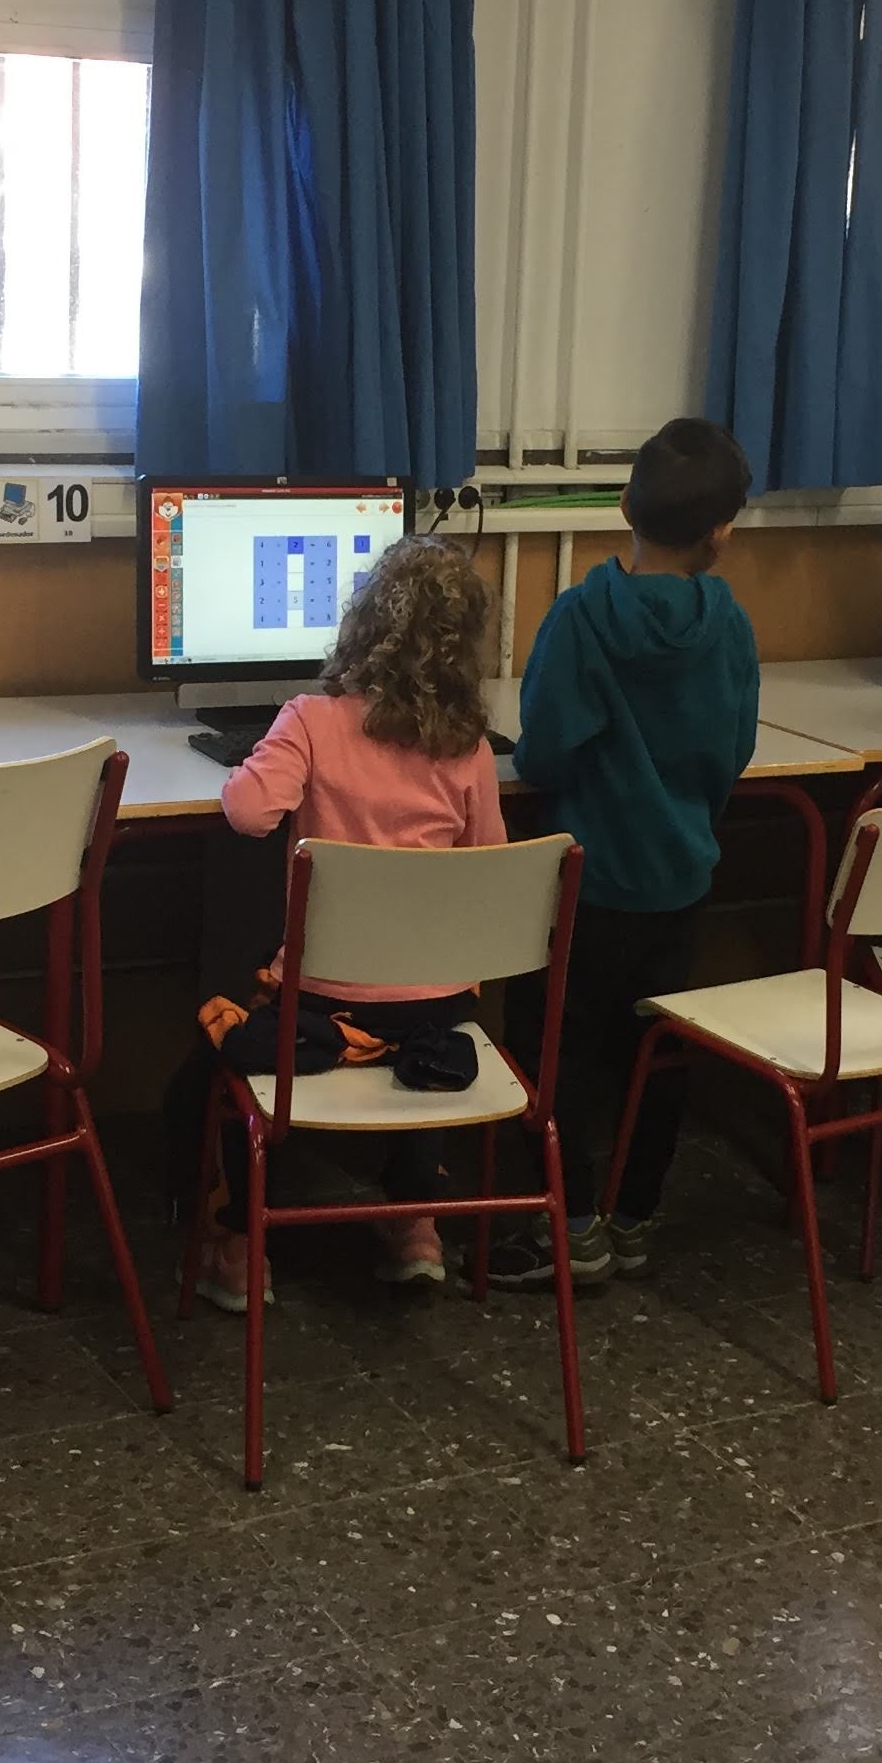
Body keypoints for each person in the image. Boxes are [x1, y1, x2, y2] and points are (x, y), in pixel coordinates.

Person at [186, 536, 508, 1306]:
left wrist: (260, 761)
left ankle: (240, 1247)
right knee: (426, 1017)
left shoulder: (310, 721)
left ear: (362, 624)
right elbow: (489, 867)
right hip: (434, 1010)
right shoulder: (468, 748)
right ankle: (415, 1225)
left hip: (322, 1005)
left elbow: (249, 813)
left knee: (224, 1039)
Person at [491, 418, 761, 1287]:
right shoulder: (729, 625)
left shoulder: (580, 618)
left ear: (622, 506)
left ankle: (569, 1228)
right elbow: (734, 752)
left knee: (556, 1048)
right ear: (722, 532)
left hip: (587, 884)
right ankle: (638, 1214)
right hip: (681, 880)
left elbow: (543, 754)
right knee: (657, 1048)